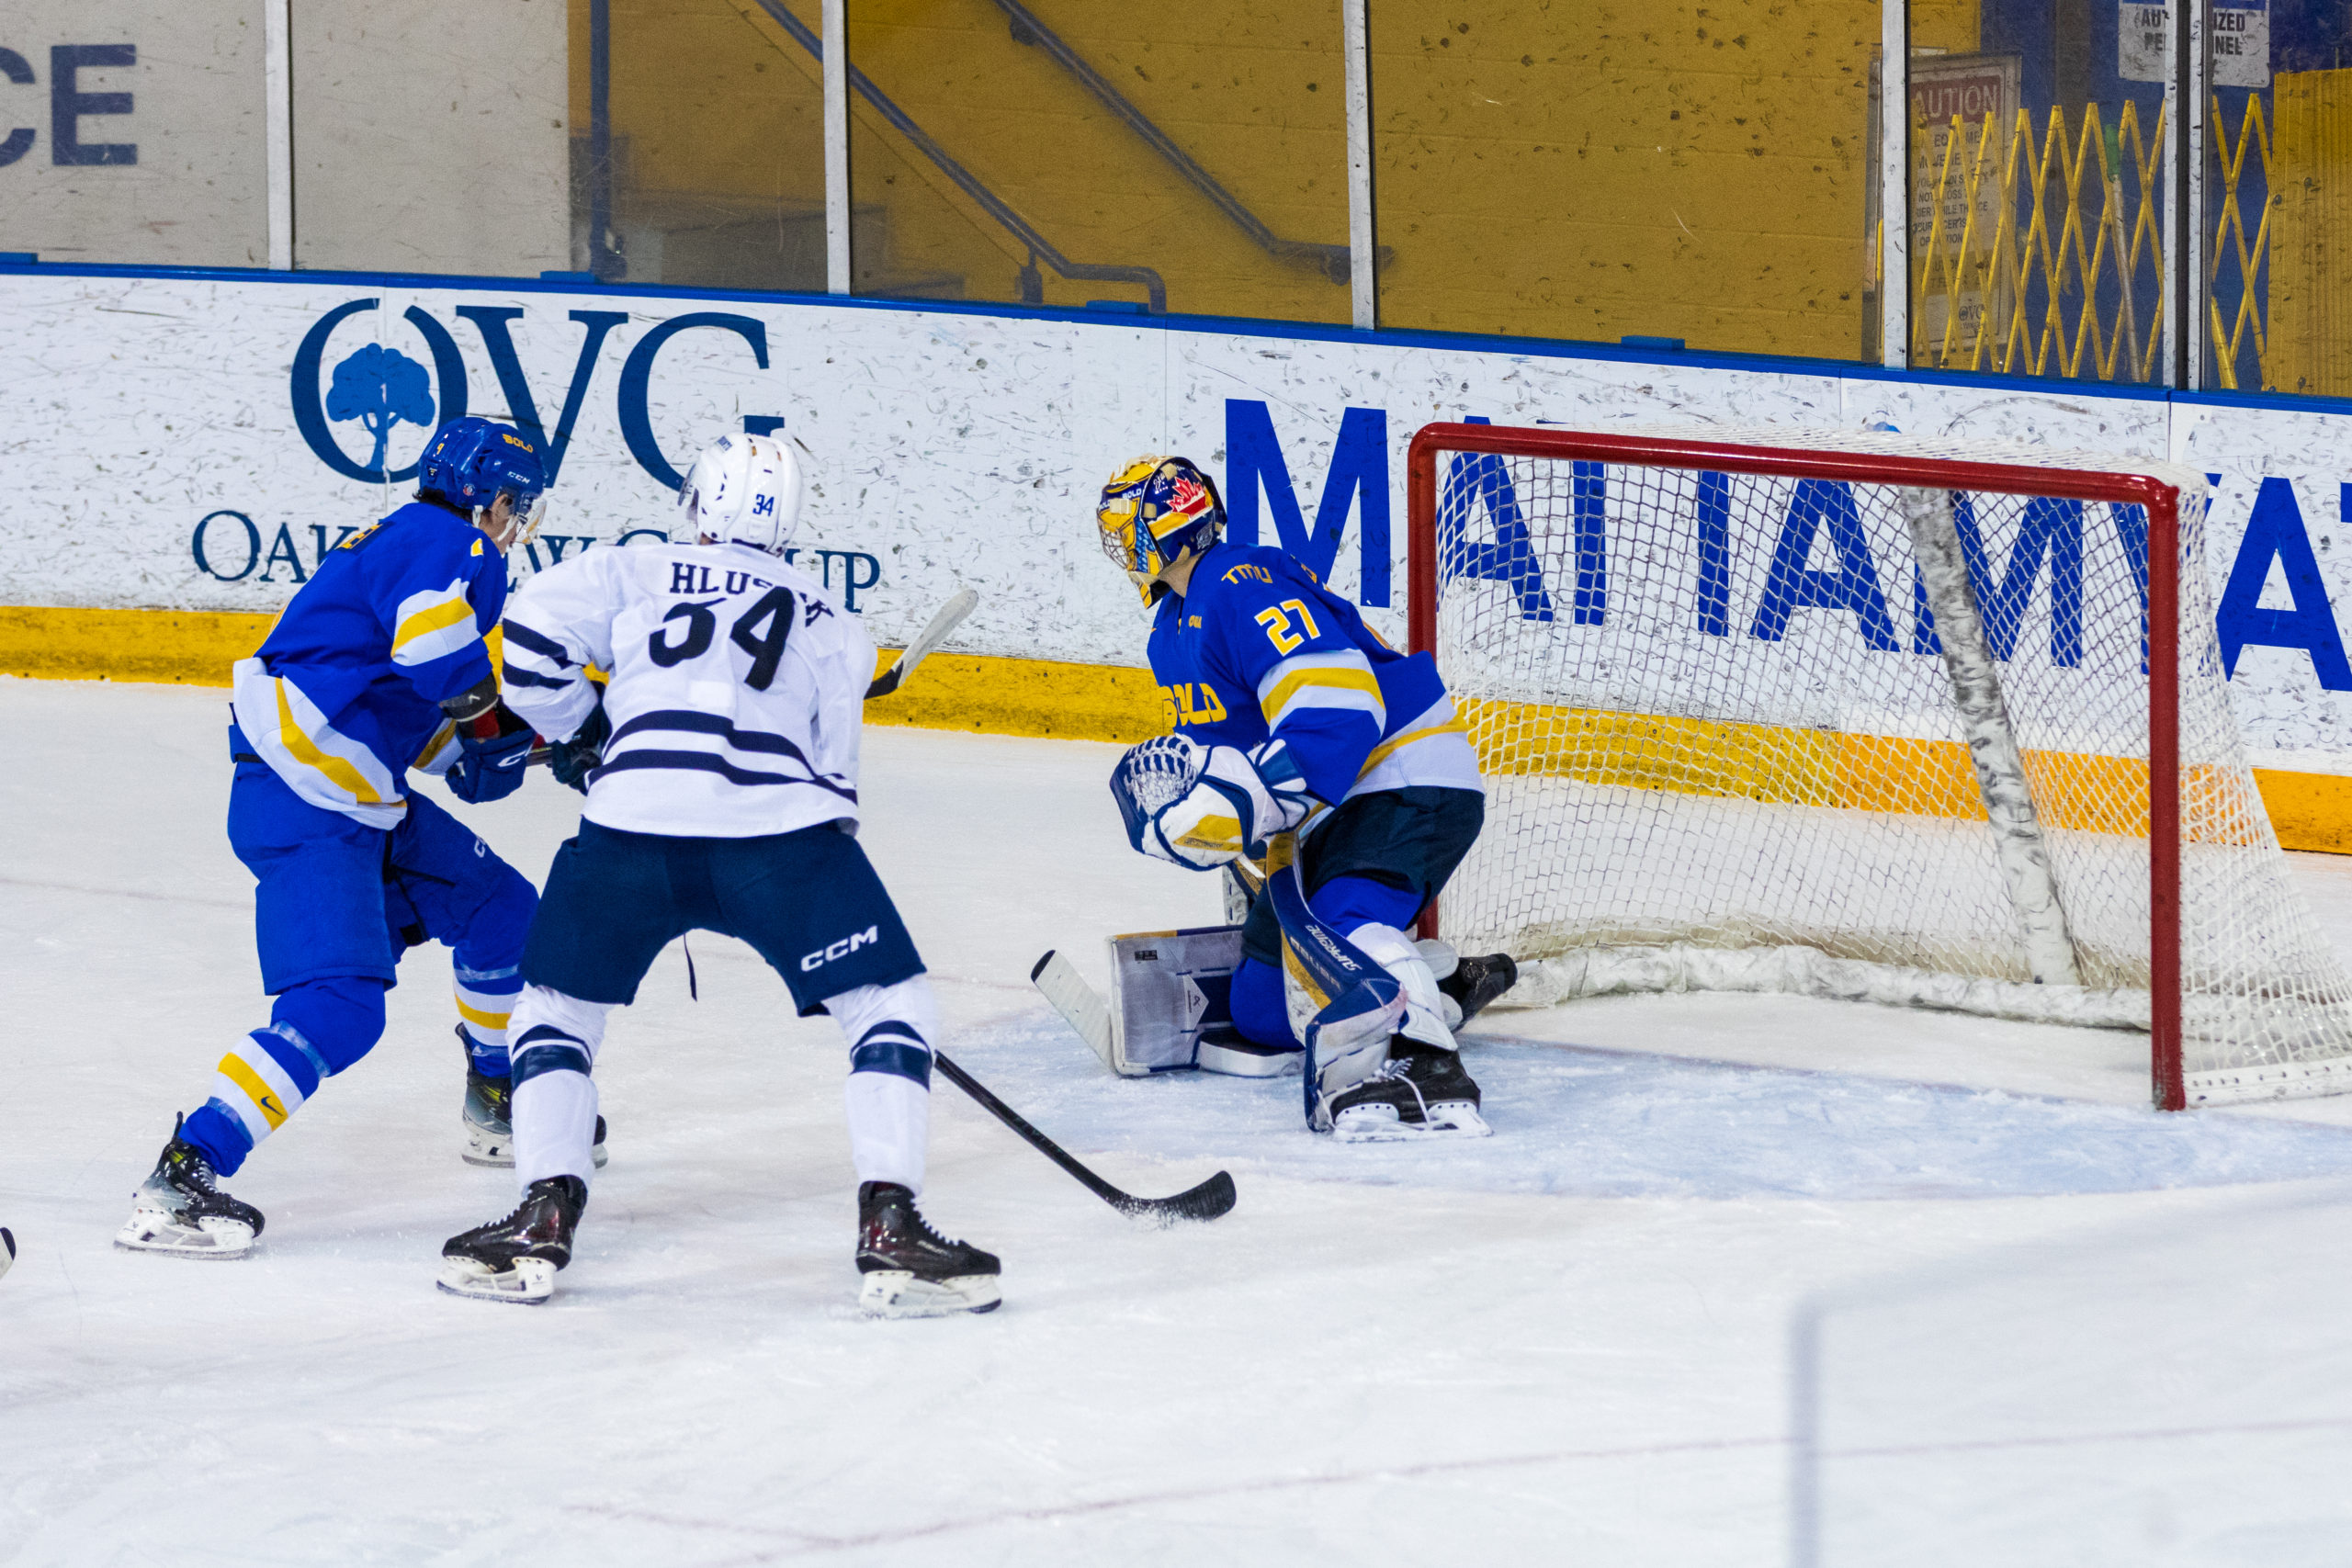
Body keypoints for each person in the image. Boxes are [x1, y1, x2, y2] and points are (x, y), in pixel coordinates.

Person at [436, 432, 997, 1315]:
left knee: (554, 1009)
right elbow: (835, 784)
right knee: (887, 1002)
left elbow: (532, 635)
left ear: (696, 501)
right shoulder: (834, 624)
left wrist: (588, 732)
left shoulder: (636, 567)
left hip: (627, 825)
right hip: (775, 836)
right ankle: (890, 1224)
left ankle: (542, 1214)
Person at [118, 416, 591, 1258]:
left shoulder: (411, 541)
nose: (519, 523)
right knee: (337, 1011)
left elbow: (406, 704)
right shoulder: (452, 543)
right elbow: (434, 647)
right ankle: (184, 1171)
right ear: (491, 499)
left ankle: (493, 1094)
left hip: (351, 788)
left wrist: (519, 744)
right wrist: (491, 724)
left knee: (503, 912)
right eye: (517, 504)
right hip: (308, 800)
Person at [1094, 455, 1517, 1140]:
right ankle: (1433, 982)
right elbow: (1239, 766)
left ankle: (1425, 1056)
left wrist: (1249, 803)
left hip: (1401, 776)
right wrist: (1218, 828)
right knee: (1261, 1006)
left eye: (1126, 530)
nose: (1121, 549)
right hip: (1331, 805)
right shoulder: (1171, 628)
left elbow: (1340, 713)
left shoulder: (1240, 582)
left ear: (1161, 532)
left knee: (1345, 921)